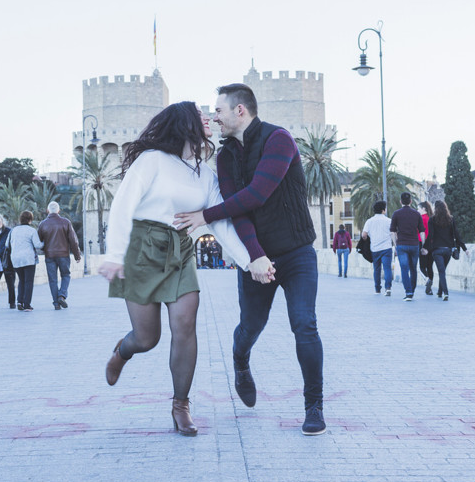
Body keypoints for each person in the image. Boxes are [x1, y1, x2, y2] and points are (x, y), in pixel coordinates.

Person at [174, 83, 327, 436]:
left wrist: (205, 214)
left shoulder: (279, 140)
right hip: (256, 254)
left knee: (304, 323)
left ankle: (314, 406)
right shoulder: (226, 156)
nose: (214, 116)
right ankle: (240, 360)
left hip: (297, 252)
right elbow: (239, 211)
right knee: (250, 328)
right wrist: (255, 256)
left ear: (240, 110)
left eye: (219, 110)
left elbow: (257, 193)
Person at [100, 101, 252, 437]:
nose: (210, 118)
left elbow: (220, 223)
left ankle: (180, 404)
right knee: (147, 338)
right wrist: (114, 254)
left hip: (181, 250)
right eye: (201, 115)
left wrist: (248, 261)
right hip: (141, 247)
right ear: (185, 124)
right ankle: (122, 352)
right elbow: (122, 205)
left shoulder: (205, 174)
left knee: (185, 325)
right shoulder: (152, 160)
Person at [38, 201, 81, 310]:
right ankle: (62, 295)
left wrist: (45, 249)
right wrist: (77, 255)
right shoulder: (65, 222)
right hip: (63, 255)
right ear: (59, 211)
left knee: (52, 280)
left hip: (49, 256)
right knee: (66, 275)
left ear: (48, 211)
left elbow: (39, 242)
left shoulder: (43, 224)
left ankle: (56, 303)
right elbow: (73, 241)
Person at [422, 199, 467, 301]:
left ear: (436, 208)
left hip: (437, 250)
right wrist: (465, 249)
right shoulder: (451, 219)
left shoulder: (432, 220)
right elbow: (456, 235)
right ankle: (439, 292)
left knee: (441, 271)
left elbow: (430, 236)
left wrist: (424, 247)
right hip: (448, 250)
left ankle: (445, 293)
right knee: (442, 271)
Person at [390, 191, 424, 302]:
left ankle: (408, 292)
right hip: (414, 244)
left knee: (404, 269)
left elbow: (392, 232)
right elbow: (422, 232)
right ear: (411, 201)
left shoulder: (396, 214)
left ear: (401, 202)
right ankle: (412, 290)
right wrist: (422, 245)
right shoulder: (416, 214)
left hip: (402, 245)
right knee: (413, 268)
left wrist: (396, 244)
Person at [9, 210, 44, 311]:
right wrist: (45, 241)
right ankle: (27, 305)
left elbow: (7, 244)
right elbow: (38, 245)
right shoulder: (31, 230)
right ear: (30, 220)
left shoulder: (13, 230)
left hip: (15, 259)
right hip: (28, 259)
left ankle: (20, 302)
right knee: (28, 281)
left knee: (21, 280)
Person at [361, 200, 394, 295]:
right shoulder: (389, 221)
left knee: (377, 269)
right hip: (386, 248)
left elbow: (364, 235)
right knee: (387, 268)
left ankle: (377, 289)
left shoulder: (369, 221)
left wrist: (368, 238)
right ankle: (388, 288)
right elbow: (392, 233)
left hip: (375, 248)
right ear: (383, 210)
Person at [418, 200, 435, 295]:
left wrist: (423, 246)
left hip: (423, 244)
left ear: (423, 208)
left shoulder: (421, 218)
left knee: (422, 267)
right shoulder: (431, 218)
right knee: (430, 266)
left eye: (419, 208)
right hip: (432, 245)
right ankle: (429, 289)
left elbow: (422, 233)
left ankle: (427, 279)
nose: (417, 210)